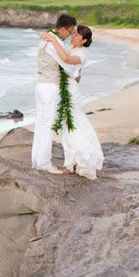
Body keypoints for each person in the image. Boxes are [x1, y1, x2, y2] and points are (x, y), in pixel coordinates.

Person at [43, 26, 104, 180]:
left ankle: (73, 164)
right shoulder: (70, 47)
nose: (74, 36)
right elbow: (77, 74)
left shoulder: (81, 55)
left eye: (78, 35)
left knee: (72, 124)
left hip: (70, 92)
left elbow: (66, 59)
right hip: (67, 88)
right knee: (67, 125)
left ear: (84, 40)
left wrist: (52, 40)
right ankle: (72, 163)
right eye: (74, 33)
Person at [31, 14, 77, 174]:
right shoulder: (53, 41)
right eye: (70, 32)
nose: (70, 35)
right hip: (50, 87)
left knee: (41, 125)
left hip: (41, 86)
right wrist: (76, 69)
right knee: (48, 125)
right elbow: (68, 65)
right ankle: (44, 163)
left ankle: (37, 161)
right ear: (64, 28)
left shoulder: (46, 38)